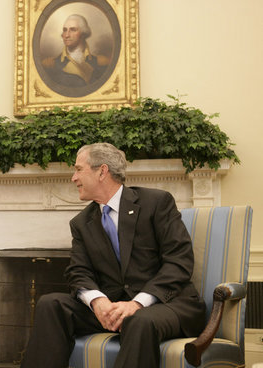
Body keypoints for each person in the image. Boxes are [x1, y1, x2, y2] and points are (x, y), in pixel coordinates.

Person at [20, 143, 206, 368]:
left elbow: (179, 262)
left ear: (102, 171)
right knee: (51, 303)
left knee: (139, 320)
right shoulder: (81, 223)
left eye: (79, 169)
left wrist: (137, 303)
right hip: (113, 308)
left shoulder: (156, 203)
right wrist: (97, 301)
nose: (73, 177)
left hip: (166, 305)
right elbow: (78, 272)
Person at [42, 14, 110, 88]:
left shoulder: (101, 62)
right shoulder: (50, 65)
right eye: (65, 30)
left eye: (73, 30)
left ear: (83, 33)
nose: (66, 35)